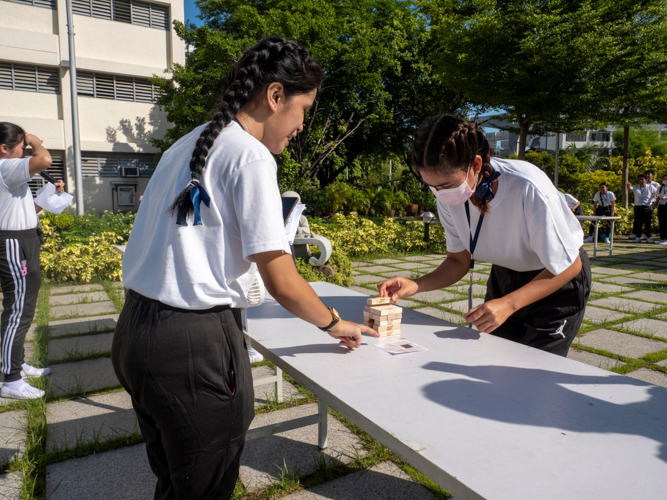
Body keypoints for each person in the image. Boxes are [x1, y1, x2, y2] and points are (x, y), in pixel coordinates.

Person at [112, 37, 377, 500]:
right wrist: (335, 323)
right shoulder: (250, 155)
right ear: (275, 96)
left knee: (175, 483)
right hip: (193, 345)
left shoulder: (189, 143)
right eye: (303, 109)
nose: (300, 126)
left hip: (136, 334)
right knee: (207, 488)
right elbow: (282, 278)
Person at [378, 115, 591, 357]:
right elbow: (458, 261)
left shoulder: (527, 186)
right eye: (431, 186)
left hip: (555, 280)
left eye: (446, 185)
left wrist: (509, 304)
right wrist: (417, 285)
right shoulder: (447, 196)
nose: (440, 194)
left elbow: (570, 264)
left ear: (476, 165)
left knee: (537, 373)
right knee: (496, 363)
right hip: (506, 274)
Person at [0, 122, 64, 399]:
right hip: (15, 244)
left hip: (22, 240)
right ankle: (10, 380)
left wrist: (49, 196)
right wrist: (35, 140)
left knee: (20, 308)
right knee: (18, 310)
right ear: (4, 148)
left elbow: (26, 208)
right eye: (21, 148)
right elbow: (45, 159)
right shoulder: (5, 166)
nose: (25, 152)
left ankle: (17, 364)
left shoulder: (10, 172)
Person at [627, 175, 658, 243]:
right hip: (638, 206)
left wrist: (654, 198)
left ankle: (648, 237)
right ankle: (638, 237)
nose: (640, 181)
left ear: (646, 180)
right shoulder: (636, 187)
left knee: (648, 223)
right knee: (638, 222)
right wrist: (629, 187)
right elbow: (631, 188)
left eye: (642, 179)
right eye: (639, 180)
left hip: (648, 206)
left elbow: (656, 193)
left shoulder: (650, 187)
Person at [657, 173, 667, 245]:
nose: (665, 181)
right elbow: (658, 197)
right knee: (661, 222)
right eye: (664, 179)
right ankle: (662, 238)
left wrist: (666, 198)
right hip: (661, 206)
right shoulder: (660, 188)